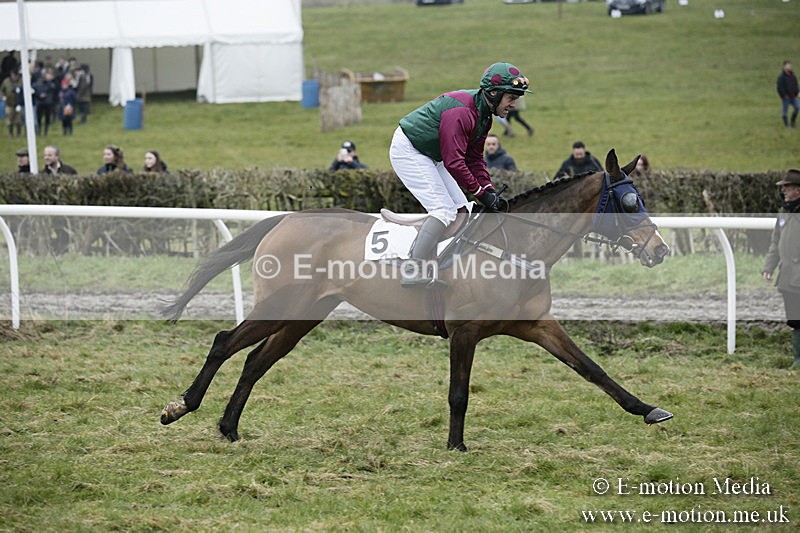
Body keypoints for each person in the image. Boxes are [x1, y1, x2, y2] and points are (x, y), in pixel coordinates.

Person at [389, 61, 531, 286]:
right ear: (493, 94)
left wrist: (488, 189)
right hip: (410, 150)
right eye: (511, 98)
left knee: (461, 210)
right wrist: (479, 192)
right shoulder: (462, 112)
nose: (514, 104)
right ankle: (413, 268)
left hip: (433, 155)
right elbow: (455, 162)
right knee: (443, 210)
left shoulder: (484, 117)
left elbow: (474, 159)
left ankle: (443, 265)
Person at [762, 169, 800, 369]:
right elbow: (775, 243)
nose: (784, 190)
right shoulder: (783, 212)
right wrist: (769, 266)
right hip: (787, 277)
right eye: (783, 187)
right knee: (794, 319)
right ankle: (798, 359)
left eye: (788, 187)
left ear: (798, 190)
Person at [777, 60, 799, 128]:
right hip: (786, 98)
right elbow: (779, 87)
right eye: (788, 65)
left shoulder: (793, 76)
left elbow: (796, 85)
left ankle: (792, 122)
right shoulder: (781, 77)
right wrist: (783, 95)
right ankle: (787, 125)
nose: (790, 66)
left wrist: (798, 93)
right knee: (784, 112)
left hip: (793, 96)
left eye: (790, 65)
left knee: (797, 107)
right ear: (784, 67)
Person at [1, 70, 23, 137]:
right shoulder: (6, 81)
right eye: (13, 75)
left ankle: (19, 134)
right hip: (9, 103)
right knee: (10, 119)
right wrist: (3, 96)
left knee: (19, 119)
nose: (15, 77)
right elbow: (1, 90)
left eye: (16, 75)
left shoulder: (21, 81)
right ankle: (10, 134)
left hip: (18, 104)